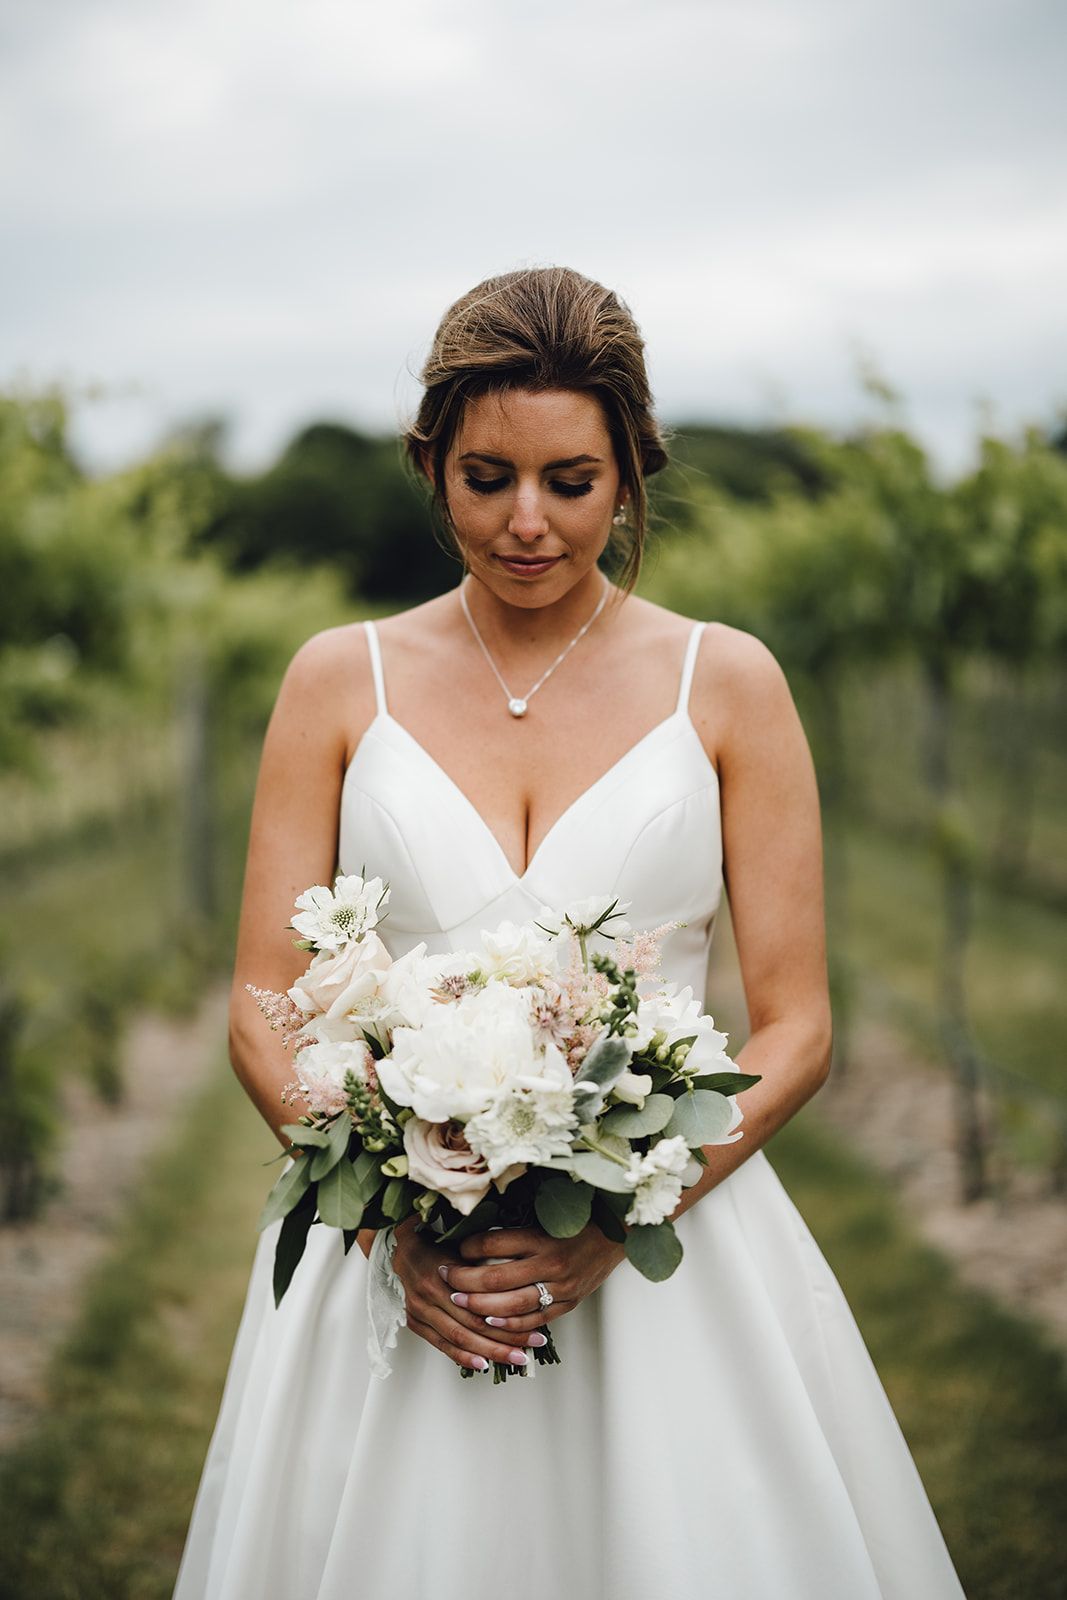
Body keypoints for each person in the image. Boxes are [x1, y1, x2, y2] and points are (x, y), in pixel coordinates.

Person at [172, 267, 967, 1599]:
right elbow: (265, 1004)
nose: (528, 522)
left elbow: (798, 1026)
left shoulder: (731, 684)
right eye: (488, 479)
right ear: (431, 466)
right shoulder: (335, 681)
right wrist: (392, 1231)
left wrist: (618, 1219)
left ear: (631, 469)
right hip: (408, 1261)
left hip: (669, 1259)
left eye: (571, 481)